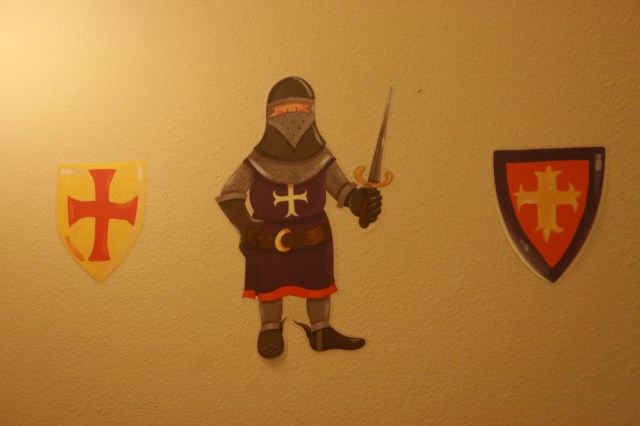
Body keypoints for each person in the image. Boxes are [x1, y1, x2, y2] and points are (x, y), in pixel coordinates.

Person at [216, 77, 382, 359]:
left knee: (318, 282)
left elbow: (341, 188)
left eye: (300, 109)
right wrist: (246, 227)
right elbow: (231, 193)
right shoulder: (256, 161)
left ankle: (321, 330)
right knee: (270, 285)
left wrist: (360, 202)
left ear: (311, 112)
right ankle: (270, 329)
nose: (293, 117)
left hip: (313, 233)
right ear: (271, 114)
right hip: (269, 236)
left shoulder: (321, 158)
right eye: (284, 110)